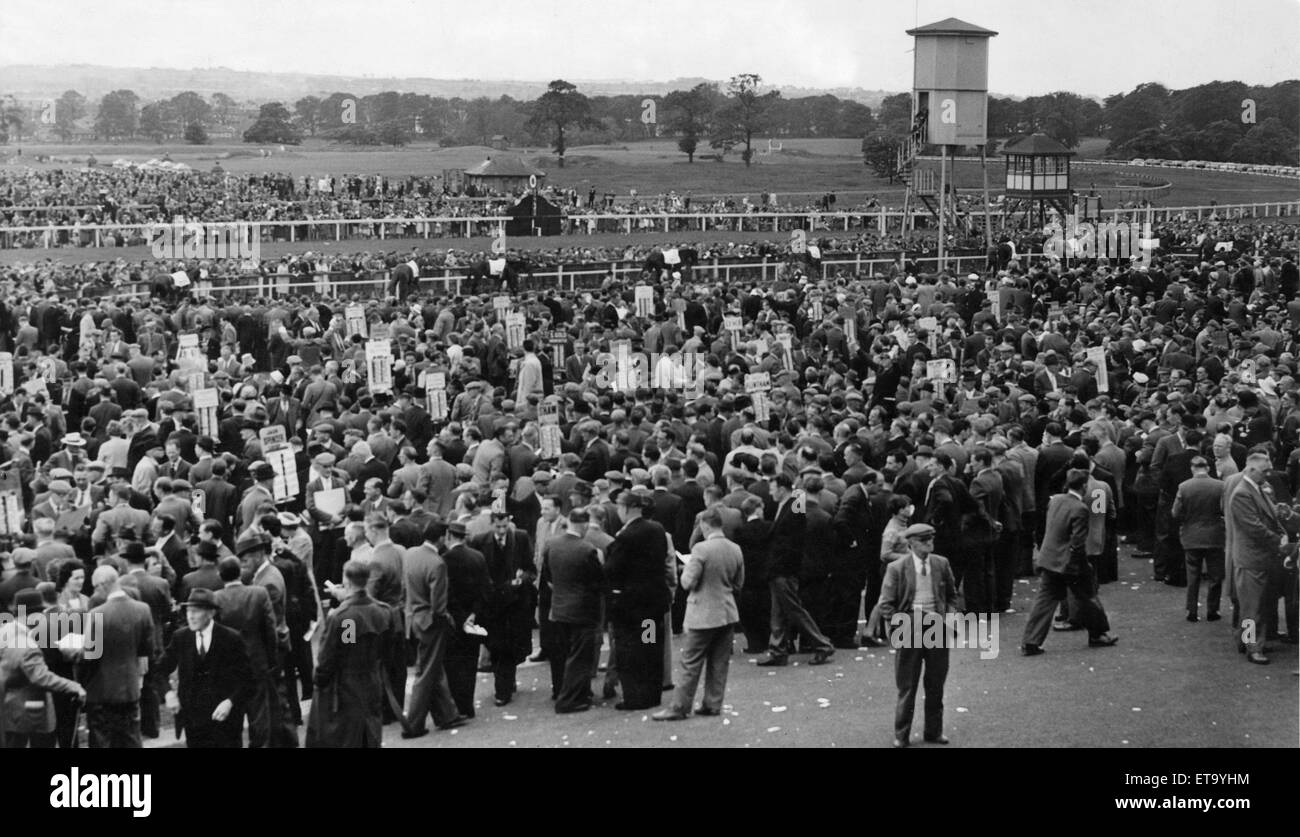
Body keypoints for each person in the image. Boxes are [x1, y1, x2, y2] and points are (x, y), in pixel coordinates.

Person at [653, 507, 744, 721]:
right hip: (727, 611)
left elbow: (687, 583)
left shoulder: (701, 550)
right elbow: (739, 583)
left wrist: (685, 570)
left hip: (702, 613)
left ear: (704, 525)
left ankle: (679, 706)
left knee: (690, 662)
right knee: (718, 661)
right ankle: (712, 703)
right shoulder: (735, 549)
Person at [1021, 470, 1120, 656]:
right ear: (1083, 486)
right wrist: (1082, 566)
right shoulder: (1080, 509)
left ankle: (1030, 641)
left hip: (1049, 559)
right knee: (1088, 597)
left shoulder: (1056, 500)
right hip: (1069, 563)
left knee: (1044, 601)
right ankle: (1098, 633)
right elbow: (1077, 542)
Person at [878, 523, 958, 747]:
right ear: (911, 544)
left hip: (936, 625)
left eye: (931, 539)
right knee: (907, 684)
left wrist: (949, 619)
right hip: (909, 625)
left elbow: (952, 596)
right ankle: (901, 735)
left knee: (936, 683)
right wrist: (899, 627)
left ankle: (934, 732)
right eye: (924, 541)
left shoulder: (941, 563)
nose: (929, 544)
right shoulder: (897, 567)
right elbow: (885, 604)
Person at [307, 560, 400, 748]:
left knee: (349, 737)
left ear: (346, 581)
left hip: (347, 685)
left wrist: (319, 679)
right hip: (372, 678)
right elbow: (390, 649)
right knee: (371, 732)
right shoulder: (384, 611)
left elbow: (337, 651)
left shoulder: (345, 617)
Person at [157, 588, 255, 748]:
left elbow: (248, 680)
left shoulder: (231, 639)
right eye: (188, 611)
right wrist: (168, 693)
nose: (190, 616)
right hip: (193, 722)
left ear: (210, 613)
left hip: (225, 721)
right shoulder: (181, 638)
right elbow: (159, 670)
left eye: (196, 611)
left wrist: (230, 702)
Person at [603, 487, 671, 711]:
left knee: (629, 651)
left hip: (631, 607)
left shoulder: (626, 536)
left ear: (625, 508)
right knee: (650, 646)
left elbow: (613, 569)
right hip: (652, 604)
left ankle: (634, 696)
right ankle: (652, 694)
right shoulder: (657, 529)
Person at [758, 475, 834, 666]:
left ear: (782, 489)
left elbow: (792, 541)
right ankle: (778, 650)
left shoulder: (792, 507)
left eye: (773, 488)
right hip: (783, 569)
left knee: (793, 610)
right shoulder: (791, 505)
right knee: (780, 612)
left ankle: (822, 644)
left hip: (783, 569)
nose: (770, 492)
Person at [401, 519, 465, 737]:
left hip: (414, 617)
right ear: (441, 538)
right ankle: (413, 724)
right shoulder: (437, 563)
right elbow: (439, 604)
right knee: (426, 672)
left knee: (433, 667)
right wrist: (446, 618)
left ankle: (447, 714)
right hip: (431, 621)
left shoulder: (410, 554)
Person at [0, 589, 86, 748]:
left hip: (7, 706)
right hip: (27, 711)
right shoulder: (27, 645)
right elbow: (41, 676)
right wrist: (73, 686)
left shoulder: (5, 631)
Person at [80, 565, 154, 748]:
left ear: (103, 585)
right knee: (131, 738)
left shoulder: (96, 614)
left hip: (102, 689)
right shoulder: (143, 609)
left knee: (103, 741)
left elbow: (90, 656)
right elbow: (146, 649)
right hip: (130, 686)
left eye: (96, 587)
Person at [540, 507, 604, 713]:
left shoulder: (551, 545)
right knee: (580, 658)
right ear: (584, 524)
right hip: (583, 611)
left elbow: (547, 577)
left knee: (565, 653)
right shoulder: (587, 550)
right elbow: (598, 582)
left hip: (558, 609)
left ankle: (571, 692)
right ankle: (569, 699)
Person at [1227, 450, 1287, 665]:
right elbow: (1254, 527)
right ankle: (1253, 647)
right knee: (1252, 607)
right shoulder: (1243, 493)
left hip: (1258, 558)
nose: (1267, 474)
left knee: (1253, 605)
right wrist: (1279, 541)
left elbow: (1268, 518)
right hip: (1251, 558)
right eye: (1264, 471)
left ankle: (1246, 642)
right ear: (1251, 469)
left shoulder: (1257, 489)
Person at [213, 554, 278, 748]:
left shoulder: (215, 599)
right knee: (259, 718)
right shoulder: (259, 594)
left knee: (232, 719)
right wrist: (271, 659)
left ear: (220, 575)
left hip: (229, 667)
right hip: (257, 661)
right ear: (239, 572)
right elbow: (270, 629)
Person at [440, 521, 490, 719]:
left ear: (449, 536)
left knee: (452, 664)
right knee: (470, 663)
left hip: (454, 620)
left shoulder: (444, 559)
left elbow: (447, 593)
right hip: (474, 618)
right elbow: (486, 589)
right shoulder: (478, 557)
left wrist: (460, 617)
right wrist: (474, 614)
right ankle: (468, 705)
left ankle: (457, 706)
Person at [1171, 456, 1226, 623]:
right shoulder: (1220, 486)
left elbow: (1175, 513)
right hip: (1214, 535)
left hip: (1191, 535)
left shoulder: (1184, 487)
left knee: (1193, 575)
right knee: (1215, 576)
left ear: (1192, 468)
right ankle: (1212, 610)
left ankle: (1192, 610)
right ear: (1208, 468)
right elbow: (1224, 509)